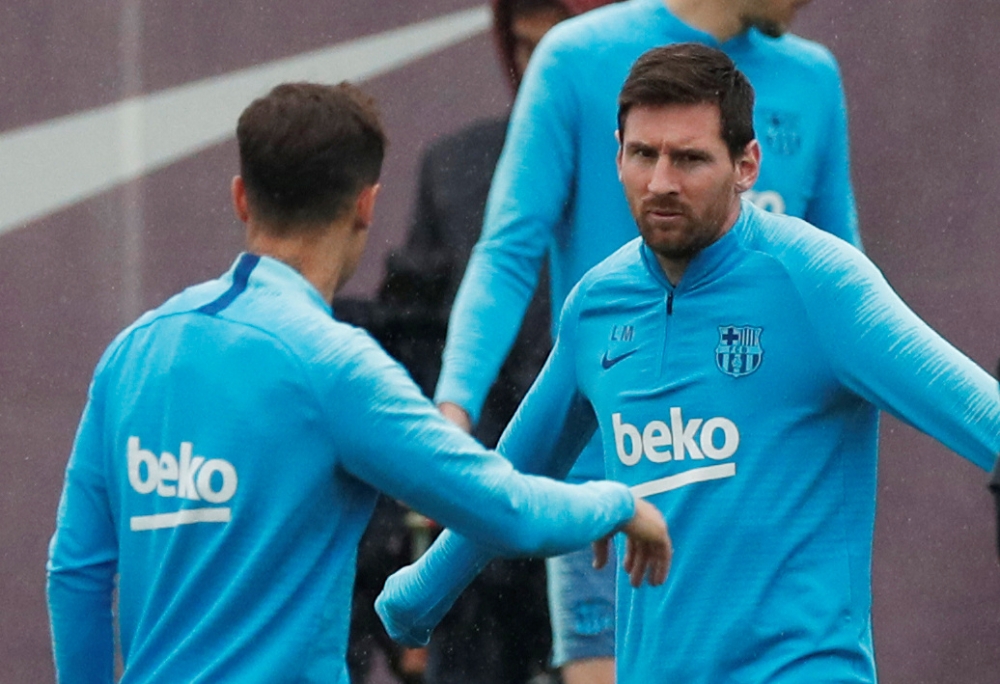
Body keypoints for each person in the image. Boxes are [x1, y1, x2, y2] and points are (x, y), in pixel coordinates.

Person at [375, 45, 1000, 683]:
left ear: (747, 164)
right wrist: (416, 596)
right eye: (643, 154)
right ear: (617, 152)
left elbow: (986, 417)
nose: (661, 182)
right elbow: (511, 480)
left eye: (690, 158)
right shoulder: (596, 305)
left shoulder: (817, 282)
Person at [44, 81, 672, 684]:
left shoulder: (132, 353)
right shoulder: (333, 367)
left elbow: (76, 571)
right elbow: (505, 511)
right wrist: (616, 504)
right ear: (366, 204)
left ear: (241, 197)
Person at [433, 1, 860, 681]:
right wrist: (453, 409)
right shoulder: (577, 57)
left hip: (760, 497)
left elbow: (847, 293)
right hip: (611, 480)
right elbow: (509, 250)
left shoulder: (812, 78)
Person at [346, 2, 621, 683]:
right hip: (483, 534)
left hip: (615, 510)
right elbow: (409, 357)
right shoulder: (458, 167)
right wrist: (399, 560)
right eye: (523, 48)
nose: (538, 68)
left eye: (558, 45)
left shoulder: (655, 171)